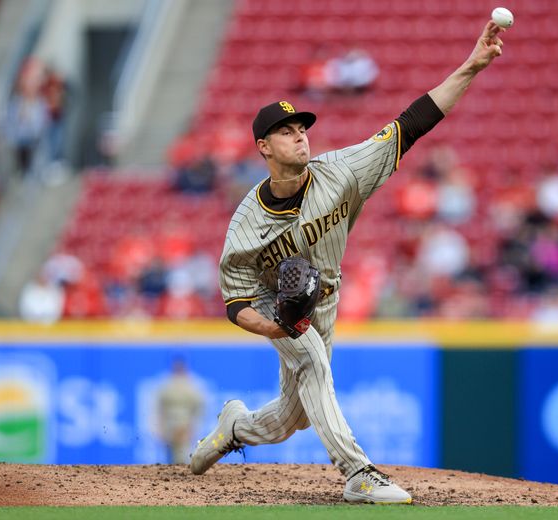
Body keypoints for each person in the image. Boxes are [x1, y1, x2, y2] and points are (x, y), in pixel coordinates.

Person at [189, 21, 507, 504]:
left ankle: (235, 425)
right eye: (286, 132)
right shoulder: (246, 227)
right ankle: (358, 472)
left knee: (290, 420)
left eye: (301, 129)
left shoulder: (340, 173)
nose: (299, 137)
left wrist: (471, 66)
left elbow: (413, 123)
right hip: (280, 308)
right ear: (263, 148)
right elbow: (235, 300)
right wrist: (274, 327)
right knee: (312, 360)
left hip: (328, 295)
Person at [156, 358, 205, 464]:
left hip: (184, 424)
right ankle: (171, 478)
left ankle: (182, 478)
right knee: (170, 456)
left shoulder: (192, 386)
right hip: (169, 425)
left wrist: (192, 427)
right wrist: (160, 427)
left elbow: (198, 409)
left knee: (182, 456)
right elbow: (160, 408)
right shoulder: (166, 386)